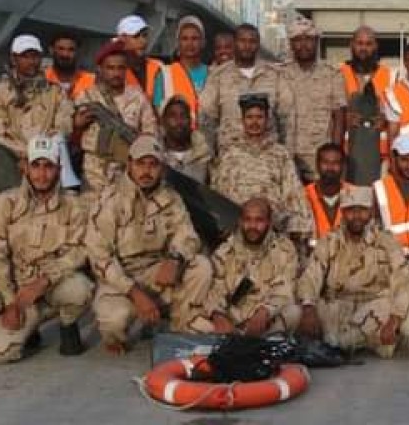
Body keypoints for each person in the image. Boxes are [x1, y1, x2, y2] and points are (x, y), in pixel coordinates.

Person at [86, 135, 213, 355]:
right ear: (130, 164)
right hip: (120, 276)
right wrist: (135, 293)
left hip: (157, 271)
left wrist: (176, 258)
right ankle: (127, 330)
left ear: (161, 169)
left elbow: (188, 236)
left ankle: (180, 327)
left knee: (201, 266)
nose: (147, 171)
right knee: (114, 321)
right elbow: (100, 258)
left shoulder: (170, 198)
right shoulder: (109, 199)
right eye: (141, 163)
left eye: (153, 164)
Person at [0, 136, 92, 363]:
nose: (42, 174)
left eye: (48, 166)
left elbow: (80, 251)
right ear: (25, 168)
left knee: (81, 288)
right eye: (36, 165)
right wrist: (11, 303)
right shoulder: (5, 204)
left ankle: (68, 324)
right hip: (19, 294)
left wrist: (44, 281)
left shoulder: (75, 206)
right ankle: (29, 328)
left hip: (54, 286)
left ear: (59, 169)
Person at [296, 186, 409, 357]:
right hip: (336, 308)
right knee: (296, 313)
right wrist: (309, 309)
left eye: (362, 210)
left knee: (403, 314)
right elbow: (311, 276)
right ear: (343, 213)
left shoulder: (386, 241)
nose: (357, 216)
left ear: (371, 212)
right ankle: (350, 343)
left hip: (373, 309)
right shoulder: (330, 241)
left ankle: (340, 344)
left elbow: (405, 279)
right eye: (351, 210)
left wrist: (394, 319)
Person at [210, 93, 312, 236]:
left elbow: (294, 197)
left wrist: (297, 230)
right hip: (237, 232)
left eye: (259, 117)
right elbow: (218, 196)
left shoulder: (280, 155)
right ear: (242, 120)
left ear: (266, 120)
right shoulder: (229, 155)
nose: (254, 122)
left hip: (273, 232)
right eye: (250, 117)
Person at [199, 197, 301, 336]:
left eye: (259, 220)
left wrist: (265, 311)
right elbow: (215, 289)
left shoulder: (285, 249)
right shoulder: (225, 250)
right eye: (248, 219)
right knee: (195, 320)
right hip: (231, 321)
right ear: (240, 221)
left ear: (269, 223)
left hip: (265, 322)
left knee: (294, 312)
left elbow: (285, 290)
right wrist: (218, 316)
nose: (252, 226)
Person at [71, 40, 157, 195]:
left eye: (120, 68)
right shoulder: (87, 96)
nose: (116, 73)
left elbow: (150, 135)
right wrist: (77, 125)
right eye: (110, 68)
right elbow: (70, 135)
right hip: (94, 173)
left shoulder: (138, 98)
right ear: (100, 69)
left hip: (127, 174)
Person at [275, 16, 346, 181]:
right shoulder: (278, 74)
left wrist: (334, 152)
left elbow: (339, 116)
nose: (304, 44)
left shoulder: (332, 74)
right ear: (291, 44)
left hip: (319, 158)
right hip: (286, 155)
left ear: (316, 41)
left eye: (309, 39)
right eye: (298, 40)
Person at [0, 34, 73, 160]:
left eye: (35, 56)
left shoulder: (56, 92)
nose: (32, 61)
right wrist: (27, 154)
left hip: (47, 160)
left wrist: (41, 152)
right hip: (11, 161)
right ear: (14, 59)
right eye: (25, 57)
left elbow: (63, 127)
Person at [198, 23, 279, 150]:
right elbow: (206, 118)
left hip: (267, 158)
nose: (247, 46)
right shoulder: (218, 76)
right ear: (235, 43)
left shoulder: (274, 75)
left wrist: (286, 155)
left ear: (258, 45)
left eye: (252, 41)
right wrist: (211, 155)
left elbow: (286, 117)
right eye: (242, 41)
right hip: (230, 156)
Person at [341, 25, 394, 161]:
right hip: (347, 153)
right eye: (359, 43)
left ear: (376, 46)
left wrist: (386, 120)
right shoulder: (337, 73)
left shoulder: (391, 75)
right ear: (351, 45)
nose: (363, 48)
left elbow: (400, 113)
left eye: (368, 44)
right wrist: (344, 119)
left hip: (380, 154)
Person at [154, 15, 208, 120]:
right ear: (178, 43)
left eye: (195, 38)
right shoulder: (165, 74)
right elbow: (158, 111)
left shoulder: (213, 74)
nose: (190, 43)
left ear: (203, 43)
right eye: (185, 39)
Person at [158, 96, 212, 183]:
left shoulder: (205, 157)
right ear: (163, 121)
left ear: (190, 121)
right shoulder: (156, 157)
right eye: (173, 116)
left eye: (183, 116)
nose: (179, 121)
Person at [305, 143, 346, 245]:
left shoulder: (354, 194)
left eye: (335, 163)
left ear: (343, 166)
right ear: (317, 165)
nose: (330, 167)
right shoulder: (303, 195)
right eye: (325, 162)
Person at [115, 15, 163, 100]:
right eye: (136, 36)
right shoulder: (114, 71)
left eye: (144, 35)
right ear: (122, 38)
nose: (143, 41)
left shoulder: (158, 66)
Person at [45, 31, 96, 100]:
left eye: (71, 50)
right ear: (51, 50)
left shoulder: (92, 81)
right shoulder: (43, 78)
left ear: (78, 52)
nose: (65, 54)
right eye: (61, 49)